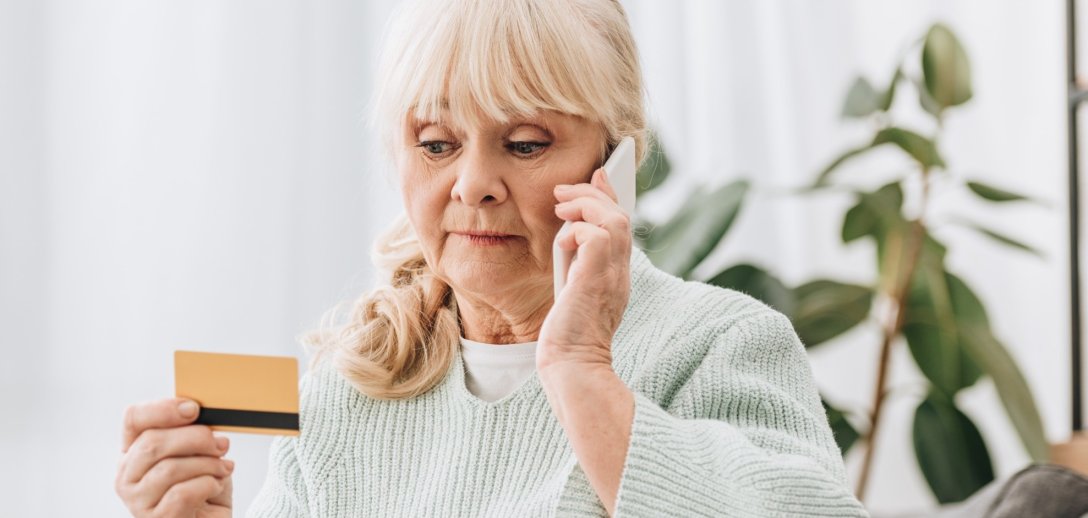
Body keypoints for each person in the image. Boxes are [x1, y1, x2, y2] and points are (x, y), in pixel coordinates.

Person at [115, 0, 869, 516]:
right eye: (436, 144)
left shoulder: (720, 344)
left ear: (618, 159)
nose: (473, 185)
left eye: (525, 144)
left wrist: (579, 371)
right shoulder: (344, 398)